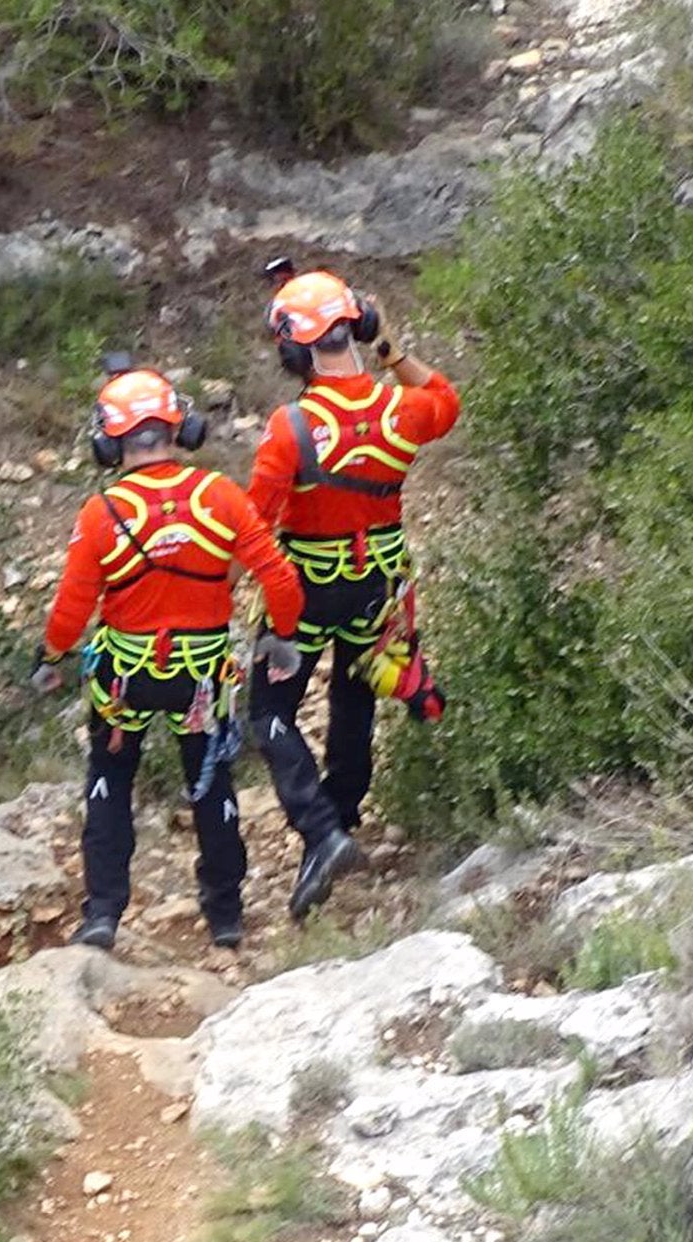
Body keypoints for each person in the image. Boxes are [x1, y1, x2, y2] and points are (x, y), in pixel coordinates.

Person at [34, 364, 306, 952]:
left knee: (109, 778)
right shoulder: (221, 497)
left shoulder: (100, 515)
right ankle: (225, 913)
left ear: (110, 442)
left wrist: (51, 655)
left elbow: (71, 609)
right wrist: (281, 636)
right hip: (201, 677)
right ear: (179, 429)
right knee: (211, 785)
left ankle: (104, 911)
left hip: (124, 677)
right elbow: (280, 579)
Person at [247, 268, 460, 921]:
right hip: (379, 586)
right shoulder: (404, 408)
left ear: (293, 349)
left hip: (306, 592)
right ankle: (342, 814)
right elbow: (446, 400)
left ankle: (322, 833)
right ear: (357, 329)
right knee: (355, 692)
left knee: (270, 711)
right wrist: (389, 347)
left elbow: (256, 519)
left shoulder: (291, 428)